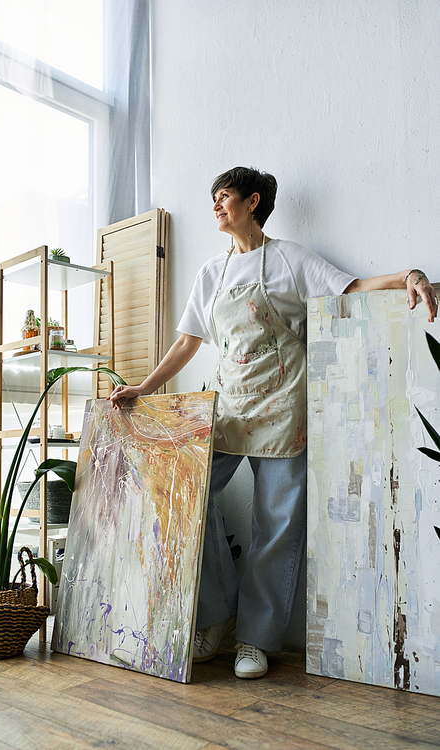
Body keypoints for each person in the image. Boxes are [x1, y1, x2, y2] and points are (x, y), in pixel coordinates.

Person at [109, 166, 438, 679]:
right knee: (185, 497)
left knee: (276, 528)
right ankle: (216, 615)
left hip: (284, 409)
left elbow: (349, 288)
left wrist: (409, 276)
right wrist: (144, 388)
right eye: (214, 199)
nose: (215, 207)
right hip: (227, 408)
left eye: (224, 197)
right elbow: (187, 342)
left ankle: (255, 642)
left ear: (252, 200)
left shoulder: (289, 260)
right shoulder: (210, 274)